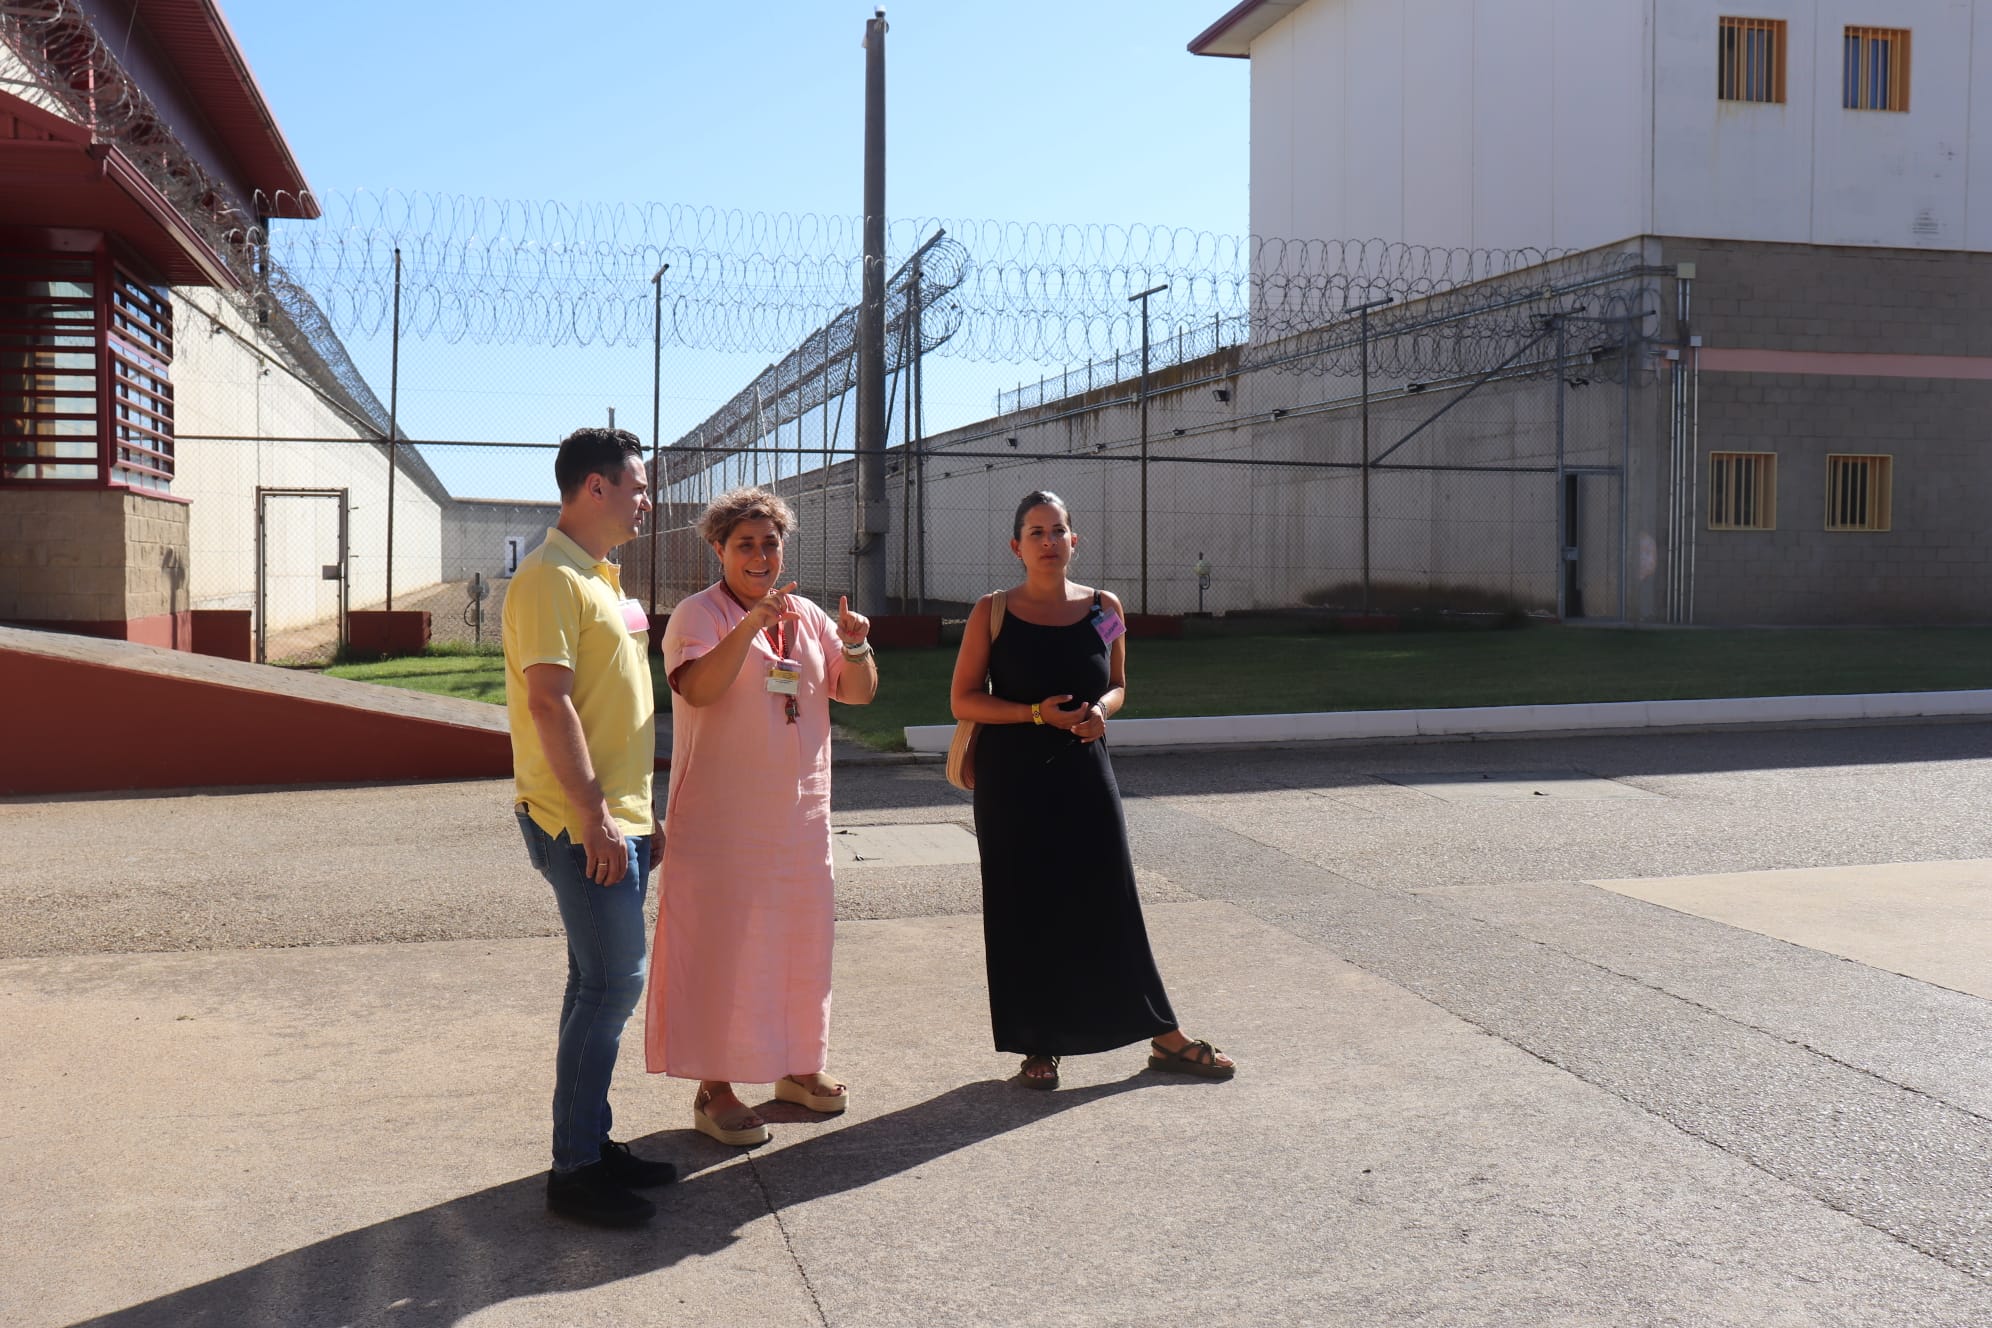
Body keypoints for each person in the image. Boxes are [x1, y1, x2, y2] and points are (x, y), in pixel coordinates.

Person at [949, 490, 1236, 1090]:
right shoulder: (991, 610)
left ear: (1075, 540)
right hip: (1013, 779)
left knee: (1111, 899)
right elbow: (963, 699)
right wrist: (1034, 713)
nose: (1049, 542)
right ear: (1017, 546)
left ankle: (1163, 1035)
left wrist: (1103, 710)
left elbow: (1121, 683)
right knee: (1023, 905)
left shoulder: (1106, 606)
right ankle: (1039, 1045)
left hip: (1085, 769)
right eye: (1036, 532)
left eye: (1058, 530)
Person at [645, 485, 879, 1146]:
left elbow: (855, 693)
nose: (759, 554)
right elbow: (697, 687)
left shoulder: (808, 615)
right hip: (720, 824)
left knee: (799, 945)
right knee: (722, 949)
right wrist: (749, 625)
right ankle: (714, 1088)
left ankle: (796, 1068)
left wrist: (857, 646)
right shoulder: (697, 615)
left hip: (798, 822)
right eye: (744, 543)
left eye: (769, 542)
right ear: (719, 549)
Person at [503, 426, 678, 1227]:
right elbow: (549, 703)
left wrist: (641, 817)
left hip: (618, 821)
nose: (647, 500)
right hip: (580, 826)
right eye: (637, 487)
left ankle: (588, 1141)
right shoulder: (549, 579)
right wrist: (598, 821)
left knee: (595, 984)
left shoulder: (601, 576)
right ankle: (573, 1170)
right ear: (595, 489)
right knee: (613, 986)